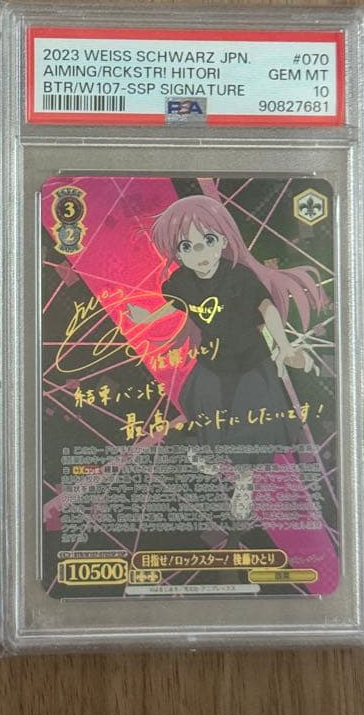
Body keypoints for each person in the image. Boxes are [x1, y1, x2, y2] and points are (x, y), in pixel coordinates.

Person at [126, 194, 326, 519]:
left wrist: (285, 346)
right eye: (186, 247)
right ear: (177, 254)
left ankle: (244, 483)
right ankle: (216, 455)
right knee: (202, 407)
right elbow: (177, 303)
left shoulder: (239, 277)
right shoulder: (182, 281)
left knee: (247, 426)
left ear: (222, 240)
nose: (200, 254)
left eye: (207, 241)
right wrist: (147, 317)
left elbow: (267, 308)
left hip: (249, 363)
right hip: (212, 362)